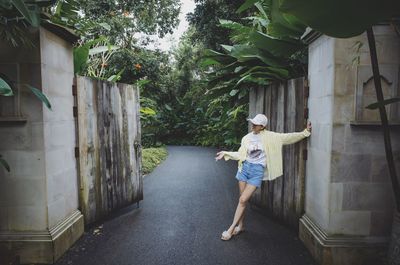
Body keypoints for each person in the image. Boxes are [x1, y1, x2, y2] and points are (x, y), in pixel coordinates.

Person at [215, 113, 312, 241]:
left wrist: (305, 132)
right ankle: (241, 225)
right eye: (253, 123)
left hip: (257, 171)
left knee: (243, 200)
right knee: (242, 200)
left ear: (262, 126)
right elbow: (241, 154)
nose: (253, 125)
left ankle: (231, 229)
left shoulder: (271, 137)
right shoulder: (246, 138)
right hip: (244, 168)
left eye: (256, 124)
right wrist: (226, 153)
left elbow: (288, 137)